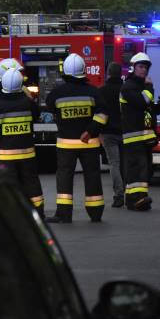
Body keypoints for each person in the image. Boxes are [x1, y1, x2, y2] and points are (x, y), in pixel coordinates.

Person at [44, 54, 107, 223]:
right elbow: (102, 115)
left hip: (65, 145)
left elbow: (49, 107)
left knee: (64, 178)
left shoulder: (56, 94)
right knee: (92, 177)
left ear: (65, 72)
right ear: (83, 71)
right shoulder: (94, 92)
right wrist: (90, 130)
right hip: (89, 143)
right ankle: (96, 212)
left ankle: (64, 214)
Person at [0, 69, 44, 217]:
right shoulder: (28, 103)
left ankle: (12, 215)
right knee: (31, 183)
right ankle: (38, 212)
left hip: (6, 156)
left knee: (9, 186)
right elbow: (37, 116)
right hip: (27, 153)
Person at [119, 52, 160, 211]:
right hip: (133, 137)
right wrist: (149, 87)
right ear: (133, 68)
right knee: (137, 170)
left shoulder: (140, 87)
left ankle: (134, 199)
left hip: (143, 137)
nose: (144, 70)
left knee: (143, 168)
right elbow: (142, 102)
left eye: (146, 67)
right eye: (141, 67)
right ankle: (137, 200)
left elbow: (146, 109)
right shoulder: (128, 87)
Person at [98, 62, 125, 208]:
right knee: (125, 164)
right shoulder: (125, 89)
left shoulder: (102, 91)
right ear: (120, 73)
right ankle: (131, 193)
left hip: (108, 133)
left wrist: (98, 132)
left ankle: (119, 195)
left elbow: (99, 113)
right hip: (126, 132)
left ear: (108, 73)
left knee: (114, 164)